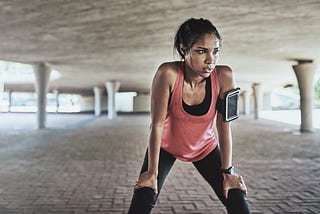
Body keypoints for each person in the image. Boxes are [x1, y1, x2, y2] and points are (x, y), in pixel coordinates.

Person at [128, 18, 250, 214]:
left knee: (237, 198)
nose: (211, 59)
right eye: (201, 51)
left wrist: (228, 172)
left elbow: (224, 126)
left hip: (205, 147)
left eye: (215, 51)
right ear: (184, 49)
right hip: (166, 146)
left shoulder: (225, 76)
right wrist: (151, 172)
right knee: (143, 198)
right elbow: (157, 125)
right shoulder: (167, 73)